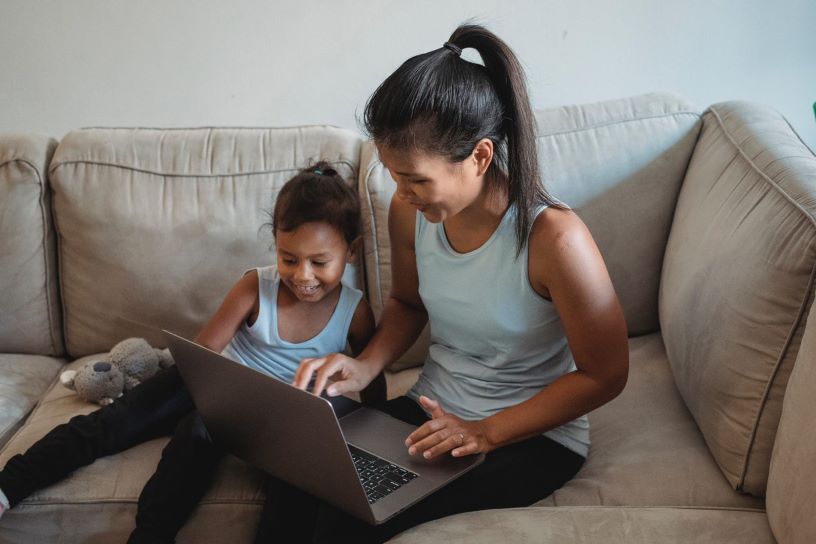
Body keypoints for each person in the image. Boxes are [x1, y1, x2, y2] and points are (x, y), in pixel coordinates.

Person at [272, 23, 630, 542]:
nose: (403, 192)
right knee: (298, 469)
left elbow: (607, 373)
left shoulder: (555, 239)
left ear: (480, 157)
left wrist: (485, 432)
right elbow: (406, 302)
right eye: (394, 175)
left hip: (530, 440)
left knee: (345, 520)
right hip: (432, 411)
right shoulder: (408, 211)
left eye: (416, 178)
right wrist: (362, 365)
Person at [0, 164, 378, 543]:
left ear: (351, 251)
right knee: (132, 425)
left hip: (281, 422)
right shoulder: (255, 287)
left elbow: (370, 381)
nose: (303, 276)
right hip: (218, 394)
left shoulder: (355, 311)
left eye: (319, 262)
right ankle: (12, 486)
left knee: (296, 493)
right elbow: (203, 354)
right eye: (289, 258)